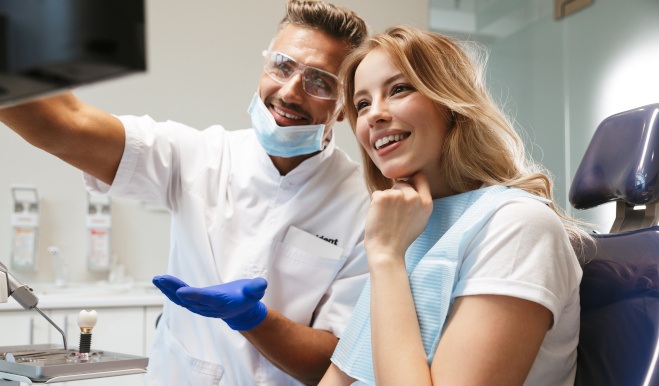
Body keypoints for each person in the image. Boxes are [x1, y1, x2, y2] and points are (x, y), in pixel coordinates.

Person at [0, 1, 371, 385]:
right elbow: (65, 125)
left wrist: (254, 319)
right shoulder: (198, 156)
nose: (291, 91)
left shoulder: (363, 205)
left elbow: (336, 361)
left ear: (344, 108)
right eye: (282, 66)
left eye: (319, 82)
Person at [318, 26, 592, 386]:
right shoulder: (407, 226)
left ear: (450, 102)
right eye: (362, 104)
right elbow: (341, 378)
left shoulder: (519, 225)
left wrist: (385, 258)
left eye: (399, 89)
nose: (374, 115)